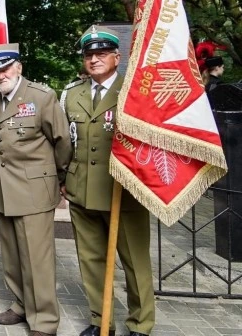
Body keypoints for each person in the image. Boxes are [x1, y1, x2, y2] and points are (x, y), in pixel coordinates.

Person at [60, 25, 155, 336]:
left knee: (135, 263)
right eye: (89, 55)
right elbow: (65, 142)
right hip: (81, 190)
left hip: (123, 191)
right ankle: (102, 321)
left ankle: (140, 324)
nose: (94, 59)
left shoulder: (134, 92)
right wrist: (63, 177)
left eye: (101, 53)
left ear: (117, 57)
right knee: (91, 261)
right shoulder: (71, 94)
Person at [0, 44, 72, 336]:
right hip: (5, 189)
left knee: (37, 259)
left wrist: (57, 177)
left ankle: (44, 320)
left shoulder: (41, 97)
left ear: (18, 67)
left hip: (34, 189)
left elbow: (62, 142)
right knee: (12, 255)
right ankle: (22, 304)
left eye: (5, 68)